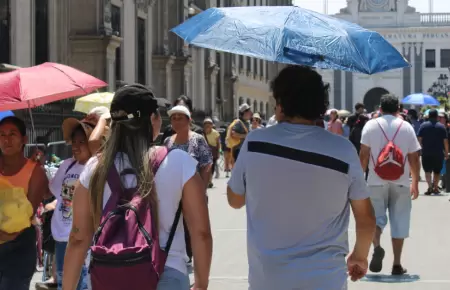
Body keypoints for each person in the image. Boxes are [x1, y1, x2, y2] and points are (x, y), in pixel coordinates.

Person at [227, 66, 376, 289]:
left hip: (268, 279)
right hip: (326, 280)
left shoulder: (256, 142)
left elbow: (235, 200)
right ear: (320, 104)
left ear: (281, 103)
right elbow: (365, 219)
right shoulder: (343, 150)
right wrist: (359, 256)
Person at [62, 85, 212, 290]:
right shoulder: (179, 163)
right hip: (166, 274)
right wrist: (201, 284)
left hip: (108, 276)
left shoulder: (94, 168)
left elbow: (78, 238)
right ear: (152, 119)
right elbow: (201, 232)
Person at [359, 94, 421, 275]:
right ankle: (397, 264)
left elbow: (363, 154)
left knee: (375, 219)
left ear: (380, 108)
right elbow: (414, 158)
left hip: (375, 181)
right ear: (398, 109)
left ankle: (377, 246)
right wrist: (415, 182)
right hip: (401, 182)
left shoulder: (370, 126)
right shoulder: (407, 127)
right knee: (399, 221)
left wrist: (360, 179)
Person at [0, 117, 50, 290]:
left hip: (18, 245)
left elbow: (25, 216)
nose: (6, 139)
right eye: (2, 135)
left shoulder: (35, 172)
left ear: (24, 140)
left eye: (12, 134)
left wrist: (5, 236)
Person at [417, 109, 448, 195]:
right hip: (438, 153)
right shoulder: (441, 127)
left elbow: (419, 139)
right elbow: (445, 141)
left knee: (427, 171)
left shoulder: (423, 126)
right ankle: (435, 187)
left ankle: (430, 186)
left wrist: (419, 150)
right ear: (437, 116)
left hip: (426, 153)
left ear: (428, 116)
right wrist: (446, 153)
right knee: (437, 171)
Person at [203, 118, 221, 188]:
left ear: (212, 125)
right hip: (204, 152)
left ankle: (209, 181)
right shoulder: (201, 132)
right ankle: (207, 181)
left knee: (212, 167)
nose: (208, 126)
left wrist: (219, 152)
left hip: (213, 152)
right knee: (206, 167)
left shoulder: (215, 133)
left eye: (209, 124)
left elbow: (218, 143)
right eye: (206, 124)